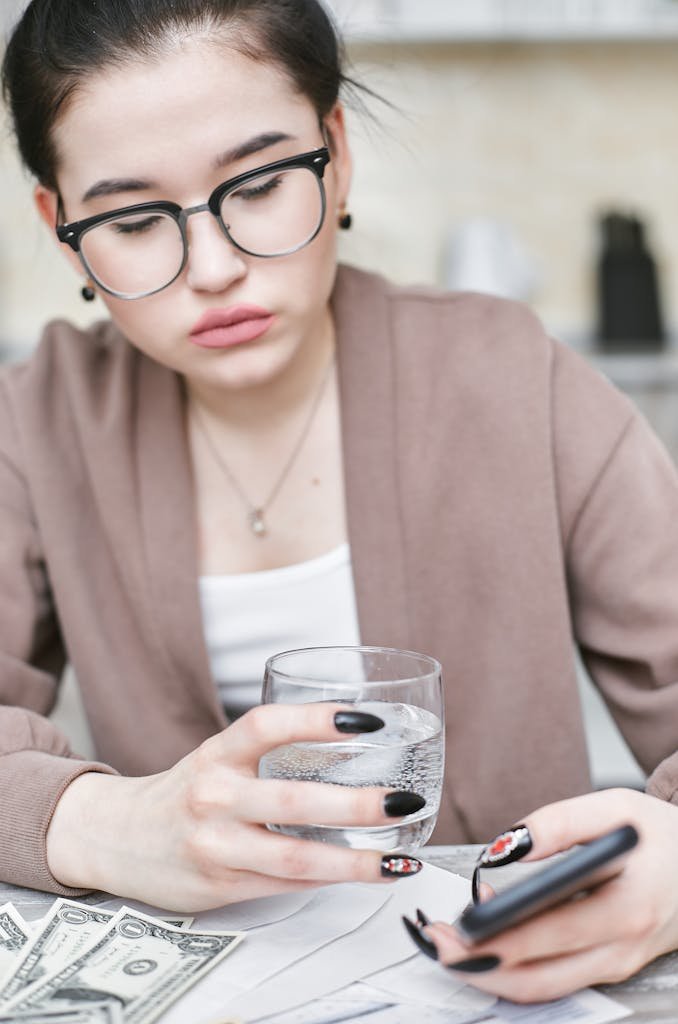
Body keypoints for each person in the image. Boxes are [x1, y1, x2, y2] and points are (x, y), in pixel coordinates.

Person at [1, 0, 678, 1003]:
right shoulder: (37, 422)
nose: (218, 266)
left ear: (338, 151)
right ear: (63, 231)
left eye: (263, 183)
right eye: (137, 219)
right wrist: (109, 822)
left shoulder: (511, 376)